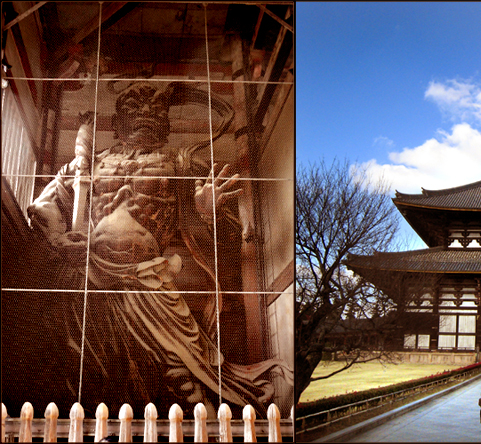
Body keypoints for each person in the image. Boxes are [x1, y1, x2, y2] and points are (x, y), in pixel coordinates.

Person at [25, 82, 288, 417]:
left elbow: (233, 236)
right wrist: (61, 240)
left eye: (156, 109)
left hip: (150, 279)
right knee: (85, 356)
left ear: (167, 125)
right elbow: (43, 206)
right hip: (90, 274)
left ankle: (198, 423)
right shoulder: (85, 167)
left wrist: (207, 211)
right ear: (116, 123)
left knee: (177, 363)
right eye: (134, 107)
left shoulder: (181, 167)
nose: (146, 114)